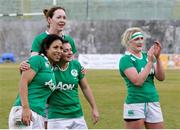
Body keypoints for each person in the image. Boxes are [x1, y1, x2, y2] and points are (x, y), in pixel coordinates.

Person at [8, 34, 64, 129]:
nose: (59, 51)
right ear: (46, 48)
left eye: (61, 48)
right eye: (55, 47)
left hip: (39, 114)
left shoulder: (51, 68)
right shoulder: (38, 60)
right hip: (24, 111)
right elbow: (23, 82)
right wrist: (25, 109)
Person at [119, 27, 165, 129]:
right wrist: (149, 62)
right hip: (135, 103)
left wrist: (157, 58)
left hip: (153, 101)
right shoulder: (125, 60)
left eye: (141, 38)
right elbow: (137, 81)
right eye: (136, 39)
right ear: (128, 42)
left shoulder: (147, 56)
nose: (140, 41)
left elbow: (161, 77)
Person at [47, 41, 99, 129]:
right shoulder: (49, 68)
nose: (70, 53)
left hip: (77, 115)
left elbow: (85, 87)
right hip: (57, 118)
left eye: (70, 50)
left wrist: (94, 108)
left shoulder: (76, 65)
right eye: (66, 50)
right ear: (59, 53)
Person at [21, 6, 77, 71]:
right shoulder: (39, 39)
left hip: (64, 80)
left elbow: (72, 64)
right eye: (58, 17)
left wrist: (80, 69)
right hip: (47, 80)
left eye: (64, 18)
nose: (62, 20)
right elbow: (33, 62)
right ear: (49, 20)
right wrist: (24, 65)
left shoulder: (69, 40)